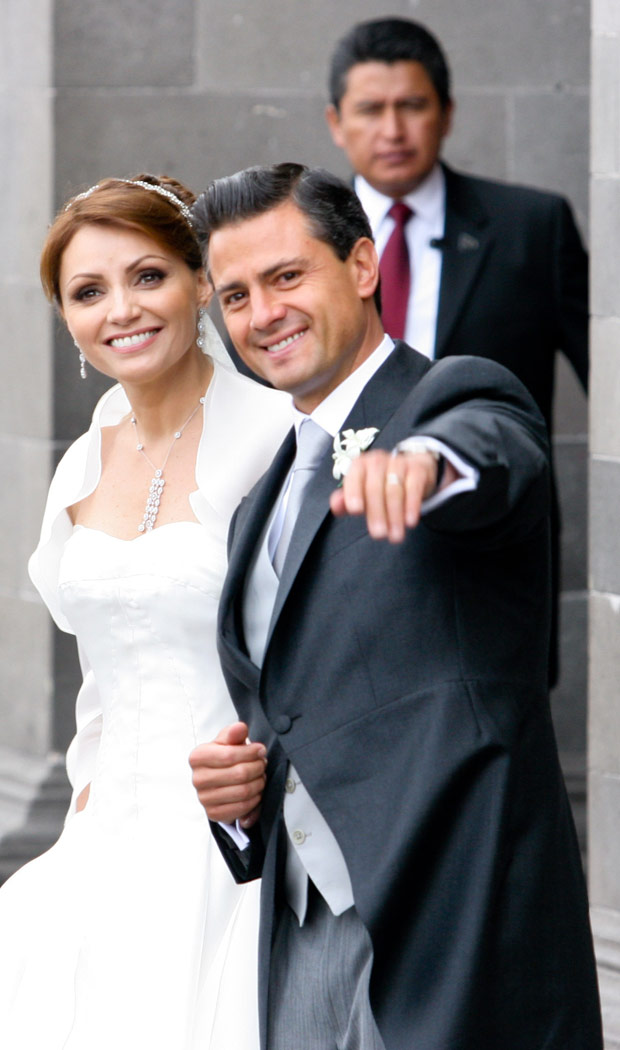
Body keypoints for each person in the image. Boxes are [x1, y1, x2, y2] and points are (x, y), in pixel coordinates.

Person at [189, 163, 602, 1050]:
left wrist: (424, 469)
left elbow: (490, 452)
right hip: (301, 929)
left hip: (459, 921)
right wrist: (242, 796)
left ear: (365, 267)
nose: (263, 314)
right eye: (235, 295)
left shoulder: (450, 397)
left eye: (287, 276)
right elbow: (299, 705)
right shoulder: (257, 504)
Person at [0, 174, 293, 1050]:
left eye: (149, 276)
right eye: (88, 292)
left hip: (236, 842)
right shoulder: (82, 463)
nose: (122, 311)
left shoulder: (275, 438)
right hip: (102, 840)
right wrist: (89, 788)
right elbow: (103, 668)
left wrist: (266, 776)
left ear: (201, 281)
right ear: (66, 317)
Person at [324, 16, 588, 685]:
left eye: (412, 106)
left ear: (446, 114)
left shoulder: (532, 228)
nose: (392, 130)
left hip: (487, 556)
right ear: (336, 122)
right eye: (371, 110)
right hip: (339, 556)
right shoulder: (301, 248)